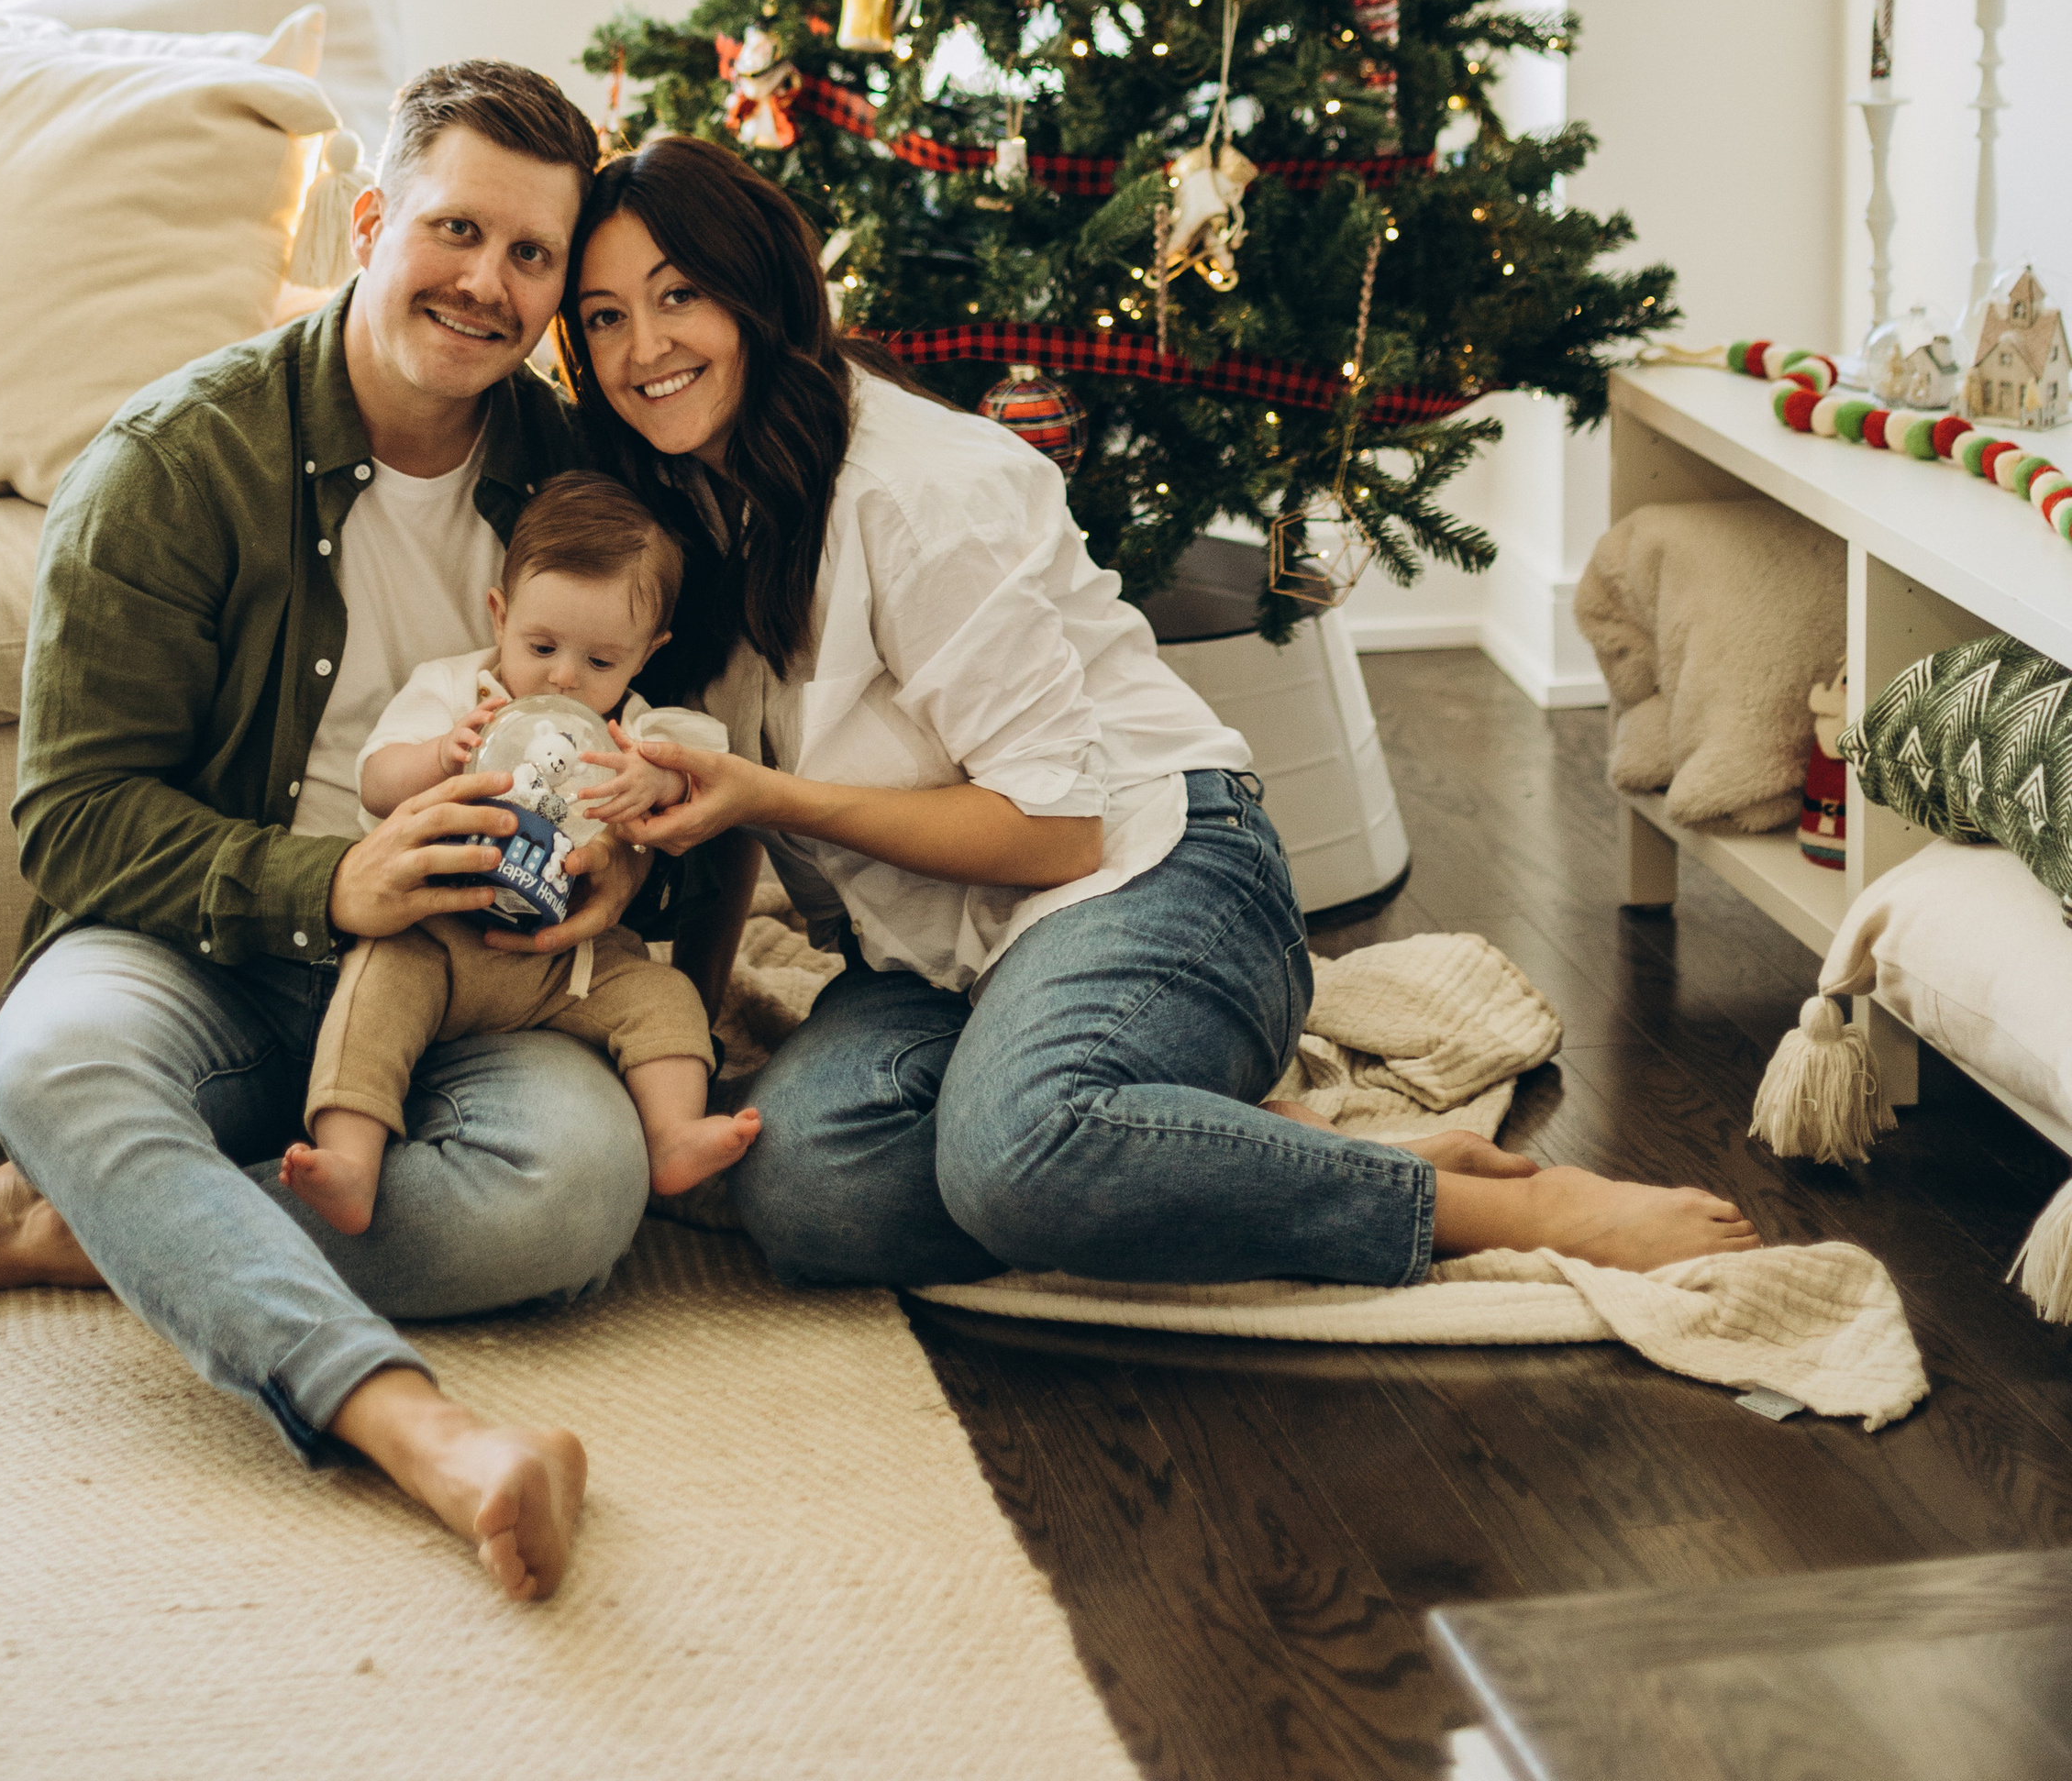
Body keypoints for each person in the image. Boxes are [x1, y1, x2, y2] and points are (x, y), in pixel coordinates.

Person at [562, 136, 1765, 1294]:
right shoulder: (680, 520)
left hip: (1157, 873)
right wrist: (702, 1042)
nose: (642, 348)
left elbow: (1055, 834)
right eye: (606, 316)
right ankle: (1212, 1149)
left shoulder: (916, 490)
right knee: (802, 1186)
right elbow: (718, 830)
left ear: (761, 296)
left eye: (679, 297)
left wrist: (771, 797)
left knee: (1013, 1156)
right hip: (942, 954)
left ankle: (1485, 1206)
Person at [0, 60, 676, 1605]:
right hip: (212, 945)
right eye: (457, 231)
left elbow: (650, 745)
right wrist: (336, 879)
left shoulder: (577, 484)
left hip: (470, 968)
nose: (490, 285)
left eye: (533, 255)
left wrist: (616, 861)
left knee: (578, 1194)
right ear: (372, 219)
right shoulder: (172, 464)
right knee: (57, 1059)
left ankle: (98, 1226)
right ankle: (424, 1437)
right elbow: (75, 821)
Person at [280, 470, 758, 1238]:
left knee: (666, 999)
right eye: (541, 646)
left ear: (646, 655)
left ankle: (672, 1135)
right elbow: (374, 782)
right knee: (372, 991)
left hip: (568, 960)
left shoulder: (632, 725)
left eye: (601, 662)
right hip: (438, 936)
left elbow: (704, 776)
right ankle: (349, 1159)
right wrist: (442, 753)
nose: (565, 676)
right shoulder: (454, 691)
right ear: (499, 616)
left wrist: (656, 778)